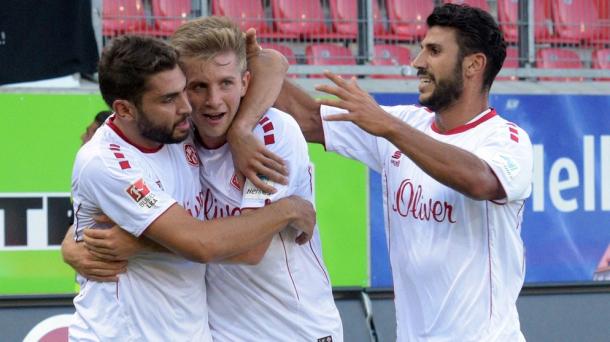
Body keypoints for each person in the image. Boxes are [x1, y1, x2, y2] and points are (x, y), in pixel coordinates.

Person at [230, 4, 534, 341]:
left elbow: (481, 181)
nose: (418, 62)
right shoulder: (404, 125)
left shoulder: (507, 140)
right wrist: (255, 64)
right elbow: (308, 119)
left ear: (474, 64)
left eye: (433, 51)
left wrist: (388, 126)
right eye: (421, 48)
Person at [65, 17, 342, 341]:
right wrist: (74, 241)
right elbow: (114, 200)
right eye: (196, 87)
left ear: (245, 82)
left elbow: (250, 250)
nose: (212, 100)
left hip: (293, 331)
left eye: (226, 83)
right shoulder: (178, 135)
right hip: (218, 331)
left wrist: (140, 245)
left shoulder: (270, 132)